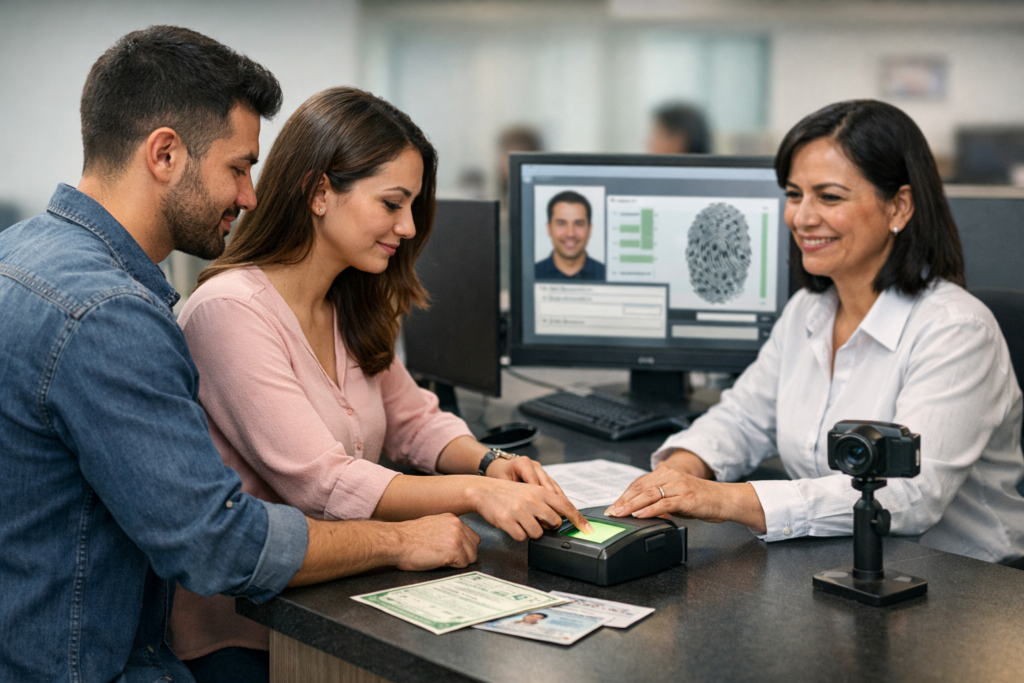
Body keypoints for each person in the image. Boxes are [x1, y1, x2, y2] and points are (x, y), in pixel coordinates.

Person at [0, 27, 480, 683]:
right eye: (239, 166)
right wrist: (403, 535)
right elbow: (218, 543)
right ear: (164, 154)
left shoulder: (18, 255)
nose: (251, 195)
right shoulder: (111, 314)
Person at [167, 86, 591, 674]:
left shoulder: (349, 300)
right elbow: (322, 483)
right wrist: (477, 492)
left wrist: (490, 461)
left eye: (413, 206)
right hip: (249, 632)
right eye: (393, 204)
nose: (410, 226)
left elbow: (414, 419)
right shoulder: (229, 312)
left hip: (346, 595)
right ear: (320, 192)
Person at [608, 99, 1024, 565]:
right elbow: (744, 418)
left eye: (829, 197)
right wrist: (683, 468)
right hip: (837, 565)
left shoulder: (956, 331)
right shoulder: (809, 310)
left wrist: (723, 499)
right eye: (793, 194)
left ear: (899, 207)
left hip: (962, 588)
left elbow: (909, 495)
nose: (802, 217)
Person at [535, 190, 605, 280]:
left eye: (578, 224)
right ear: (549, 228)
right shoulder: (531, 275)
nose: (570, 233)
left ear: (589, 230)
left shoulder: (606, 275)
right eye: (561, 223)